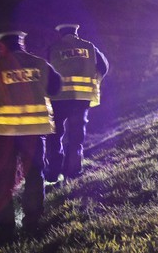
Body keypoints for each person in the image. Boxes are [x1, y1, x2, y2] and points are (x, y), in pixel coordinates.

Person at [0, 31, 61, 240]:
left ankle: (5, 230)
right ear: (21, 43)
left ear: (2, 45)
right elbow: (56, 87)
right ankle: (33, 222)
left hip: (5, 134)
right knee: (34, 174)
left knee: (4, 179)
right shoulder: (40, 64)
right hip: (34, 131)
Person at [44, 23, 109, 182]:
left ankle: (53, 173)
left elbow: (45, 72)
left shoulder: (53, 48)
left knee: (55, 135)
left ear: (60, 34)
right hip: (81, 98)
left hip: (58, 99)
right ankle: (72, 172)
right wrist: (95, 80)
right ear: (76, 33)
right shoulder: (89, 47)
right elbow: (104, 67)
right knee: (76, 135)